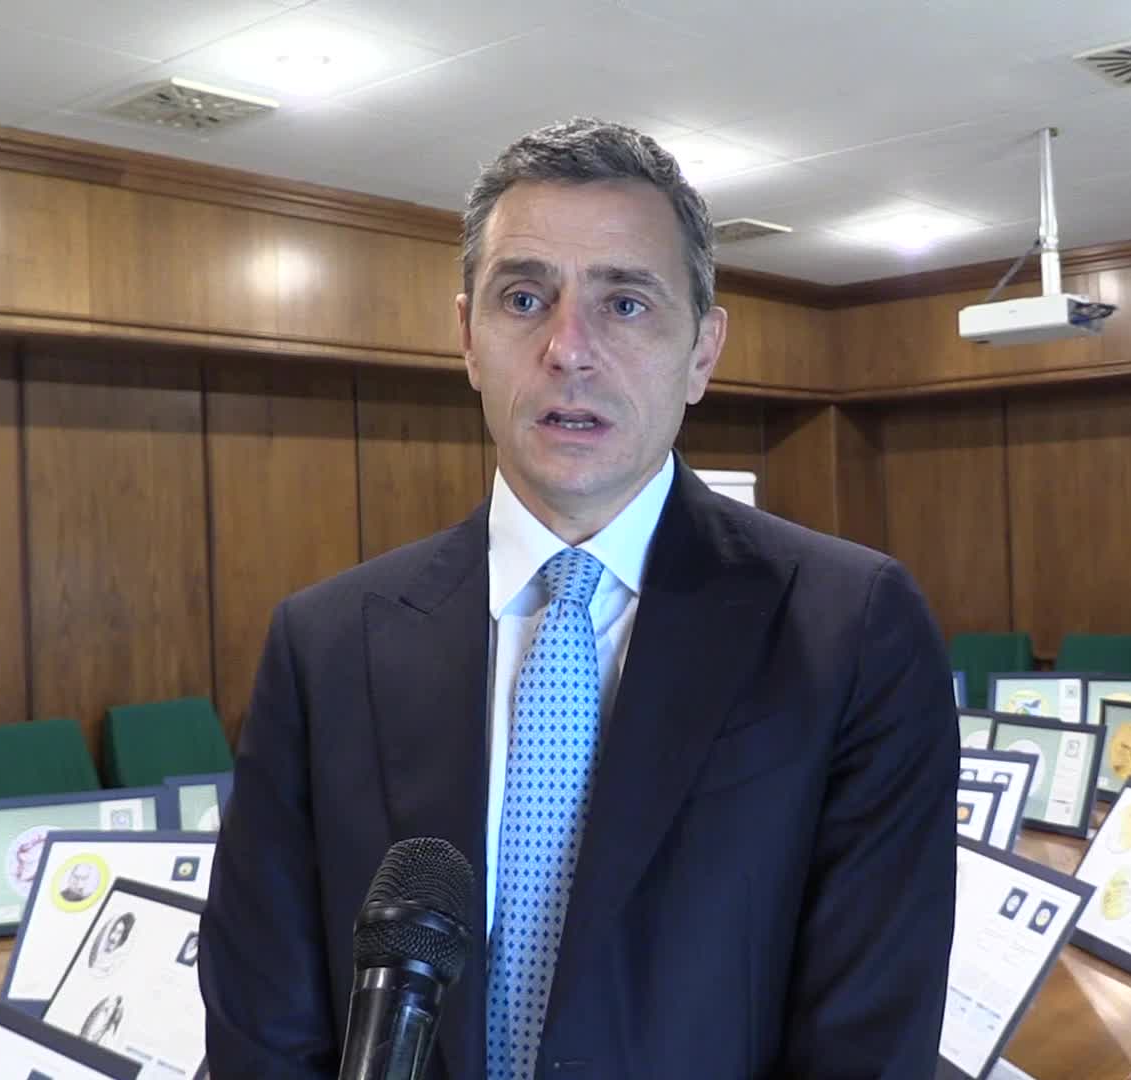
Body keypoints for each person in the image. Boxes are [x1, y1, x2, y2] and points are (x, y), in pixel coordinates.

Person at [200, 118, 957, 1078]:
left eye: (625, 304)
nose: (568, 348)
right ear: (468, 339)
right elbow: (263, 1025)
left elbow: (868, 1044)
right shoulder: (324, 645)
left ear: (702, 351)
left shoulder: (851, 630)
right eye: (524, 298)